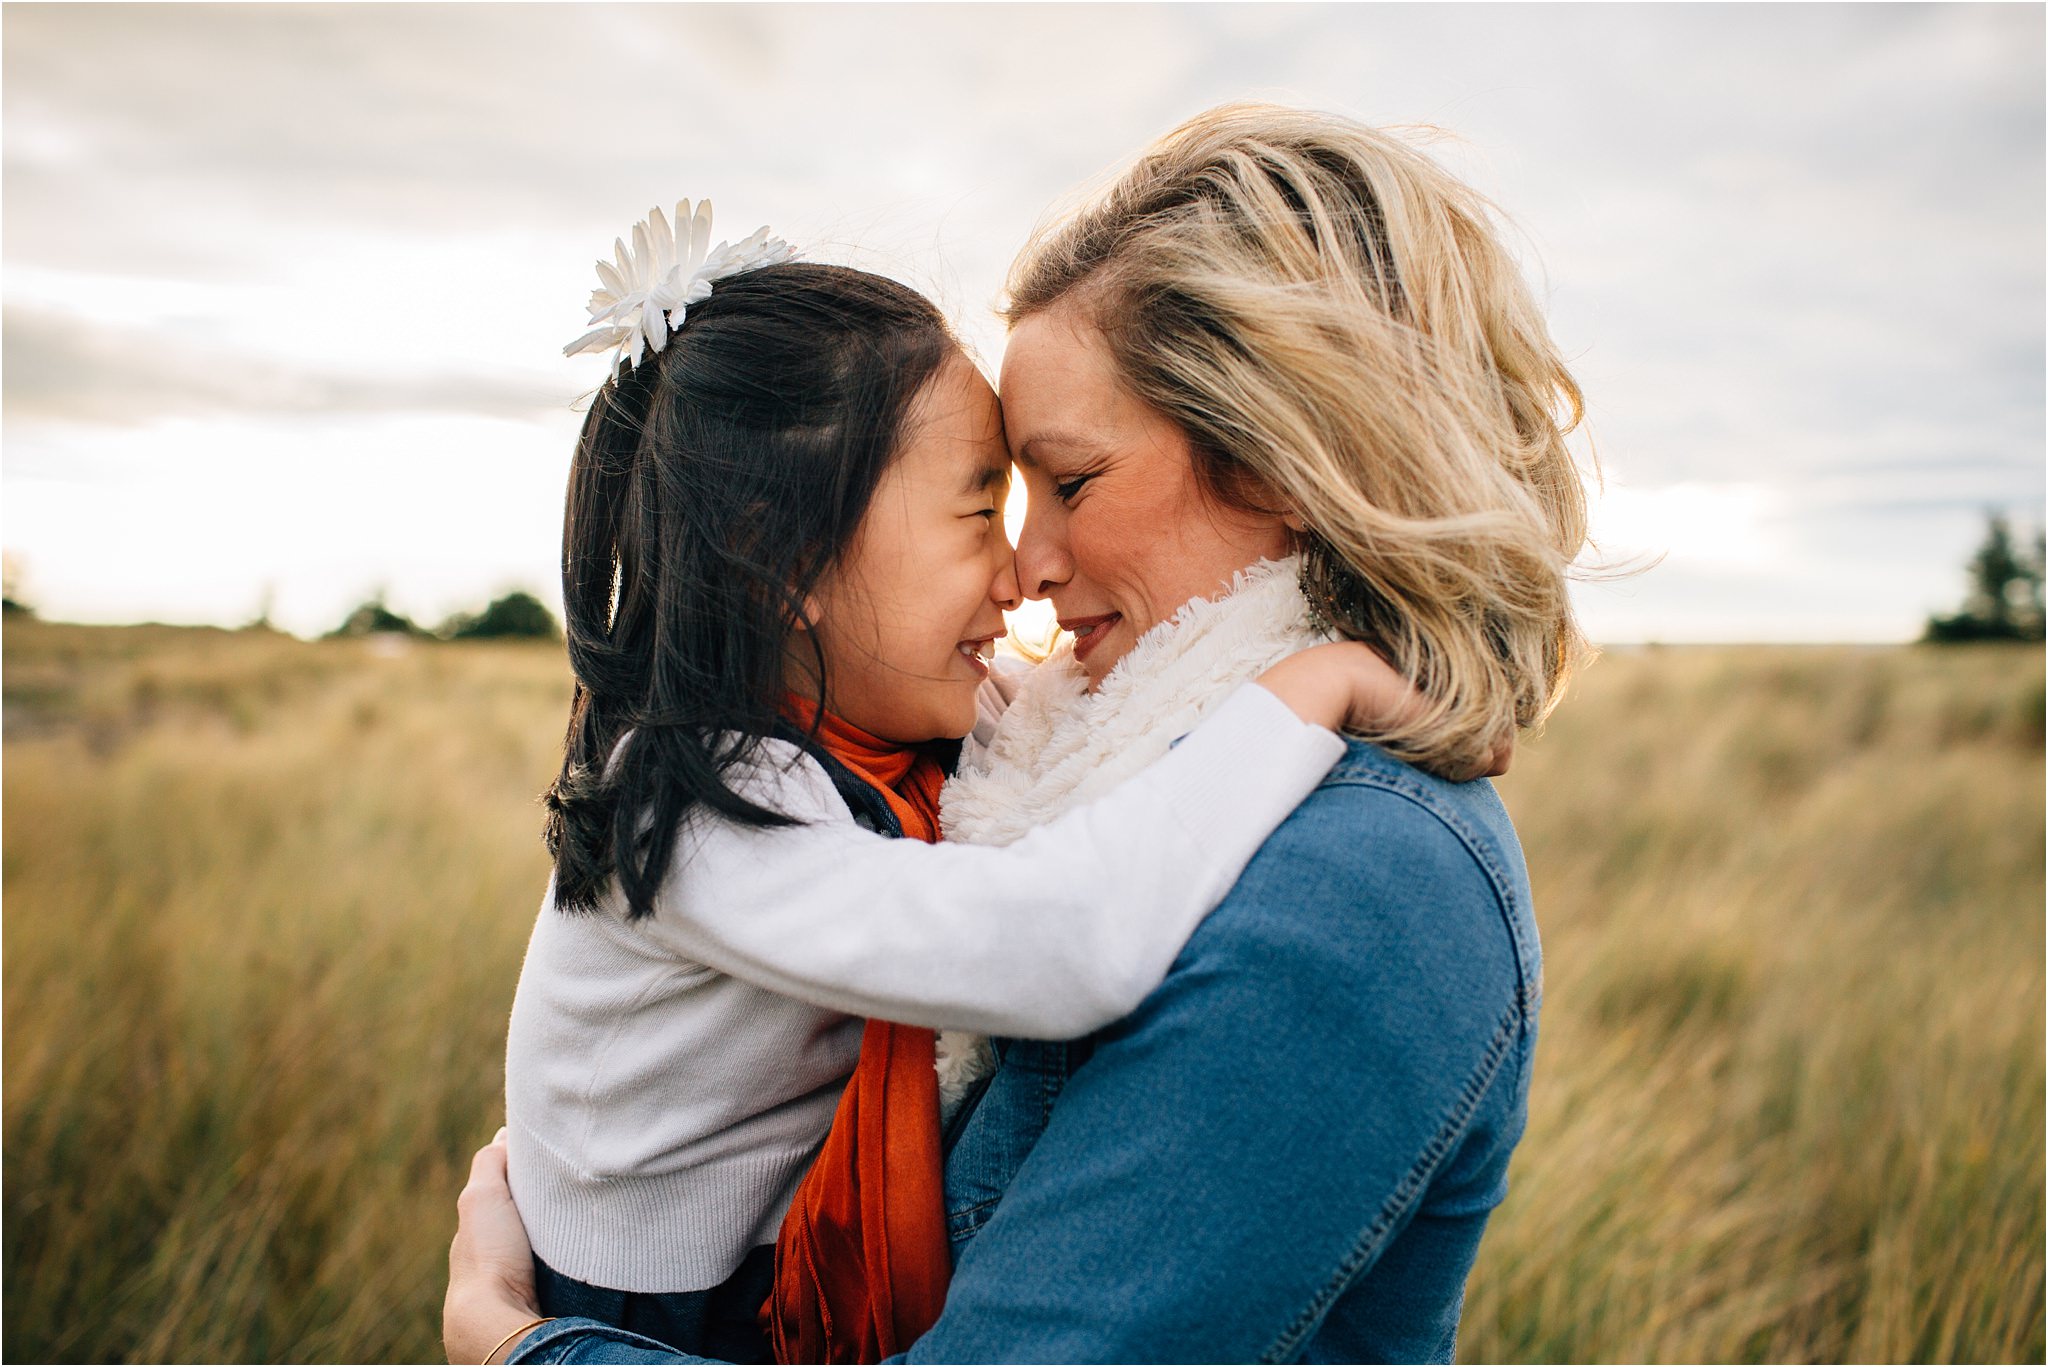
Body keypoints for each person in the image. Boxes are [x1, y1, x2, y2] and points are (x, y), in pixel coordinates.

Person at [451, 101, 1590, 1363]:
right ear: (785, 560)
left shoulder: (1356, 880)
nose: (1028, 567)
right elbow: (1043, 923)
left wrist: (516, 1352)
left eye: (1070, 482)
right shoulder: (999, 772)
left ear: (1277, 456)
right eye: (989, 505)